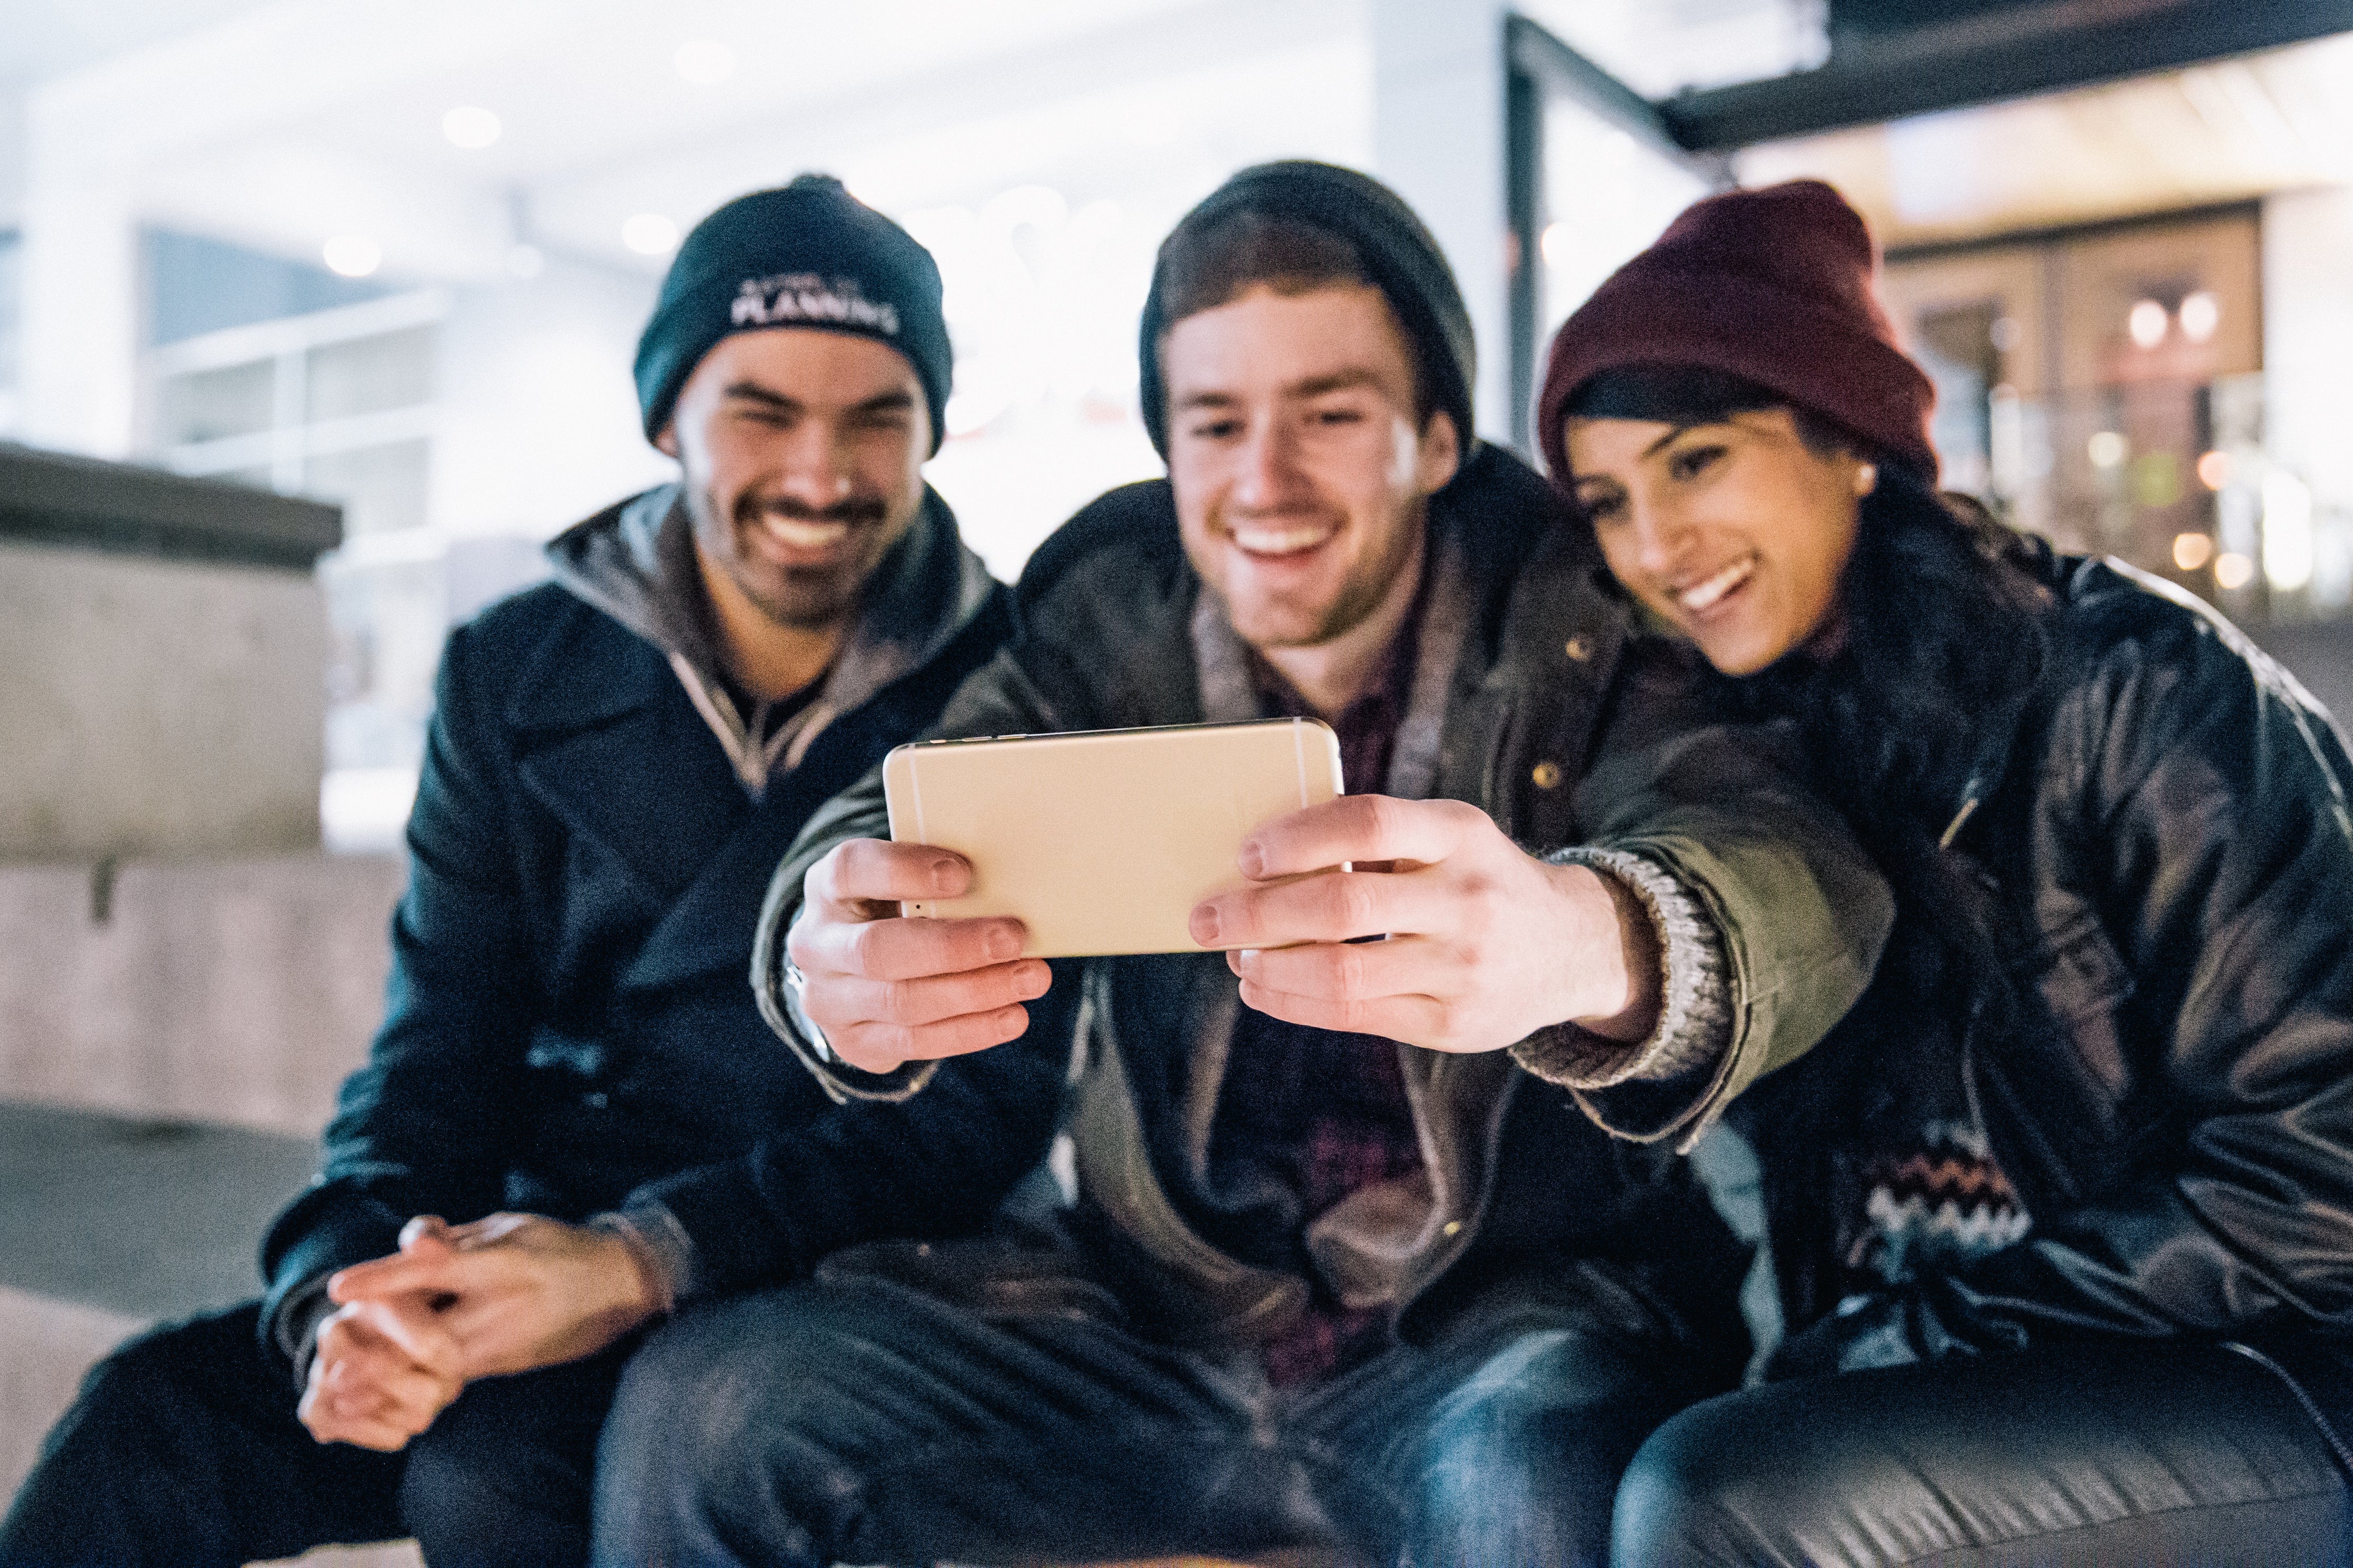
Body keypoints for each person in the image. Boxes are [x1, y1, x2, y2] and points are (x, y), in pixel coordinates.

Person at [590, 161, 1891, 1568]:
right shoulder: (1105, 616)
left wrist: (1589, 939)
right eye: (1214, 424)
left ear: (1436, 435)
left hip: (1495, 1336)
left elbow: (1786, 861)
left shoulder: (1576, 614)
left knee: (1551, 1491)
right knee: (708, 1407)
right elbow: (891, 820)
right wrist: (822, 944)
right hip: (1141, 1327)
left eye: (1329, 414)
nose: (1263, 482)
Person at [0, 175, 1059, 1568]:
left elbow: (970, 1125)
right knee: (149, 1423)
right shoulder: (514, 670)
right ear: (665, 415)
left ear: (932, 429)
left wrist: (637, 1262)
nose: (820, 474)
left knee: (496, 1467)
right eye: (762, 412)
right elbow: (441, 1040)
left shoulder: (1019, 684)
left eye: (876, 418)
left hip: (823, 1254)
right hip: (535, 1221)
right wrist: (356, 1293)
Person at [1536, 178, 2353, 1564]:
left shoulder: (2129, 684)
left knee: (1720, 1496)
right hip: (1965, 1377)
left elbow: (2315, 1181)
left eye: (1696, 462)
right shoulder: (1751, 754)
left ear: (1849, 441)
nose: (1655, 548)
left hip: (2263, 1370)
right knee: (1557, 1462)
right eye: (1608, 501)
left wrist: (1905, 1342)